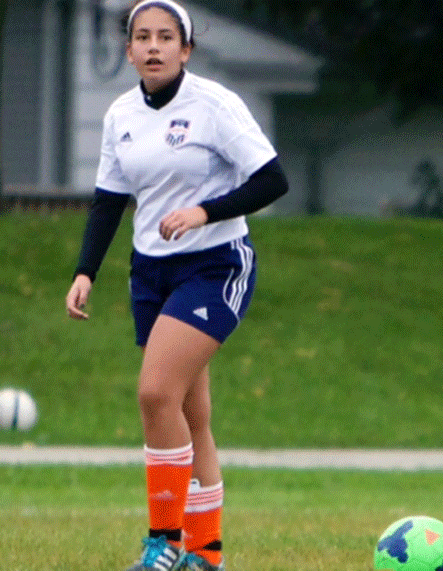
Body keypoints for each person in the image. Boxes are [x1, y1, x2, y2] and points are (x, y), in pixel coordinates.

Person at [65, 1, 288, 570]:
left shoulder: (215, 105)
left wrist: (204, 212)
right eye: (142, 36)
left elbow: (272, 179)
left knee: (155, 392)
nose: (154, 46)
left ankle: (163, 544)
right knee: (191, 414)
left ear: (186, 49)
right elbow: (109, 201)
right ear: (129, 49)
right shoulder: (119, 114)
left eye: (167, 37)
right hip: (151, 270)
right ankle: (205, 554)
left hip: (215, 265)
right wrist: (85, 271)